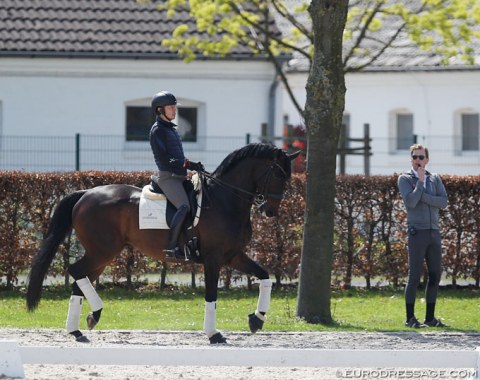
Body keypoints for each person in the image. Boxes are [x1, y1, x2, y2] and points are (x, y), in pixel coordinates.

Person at [397, 144, 448, 328]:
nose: (418, 160)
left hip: (434, 233)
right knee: (414, 276)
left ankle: (430, 319)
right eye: (414, 157)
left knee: (434, 275)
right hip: (417, 233)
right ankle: (410, 318)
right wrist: (419, 182)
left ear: (427, 159)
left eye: (421, 157)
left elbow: (443, 202)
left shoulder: (434, 179)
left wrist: (423, 195)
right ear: (411, 159)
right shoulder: (404, 179)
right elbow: (410, 202)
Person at [149, 91, 203, 258]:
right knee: (184, 206)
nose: (174, 110)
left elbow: (178, 157)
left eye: (174, 107)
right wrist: (186, 164)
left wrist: (190, 165)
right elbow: (167, 158)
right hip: (168, 178)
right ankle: (171, 248)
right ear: (160, 110)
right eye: (170, 107)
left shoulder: (171, 129)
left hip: (180, 176)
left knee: (197, 202)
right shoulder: (158, 130)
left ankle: (191, 242)